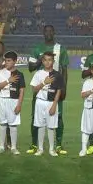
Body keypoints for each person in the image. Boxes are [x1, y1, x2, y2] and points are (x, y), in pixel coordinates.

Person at [27, 25, 69, 155]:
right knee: (35, 117)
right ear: (43, 33)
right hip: (40, 89)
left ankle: (58, 145)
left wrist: (64, 88)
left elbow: (64, 70)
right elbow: (30, 68)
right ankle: (35, 144)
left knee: (58, 116)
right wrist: (41, 60)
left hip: (56, 89)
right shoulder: (37, 49)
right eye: (46, 31)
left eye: (51, 31)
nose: (48, 33)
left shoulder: (60, 49)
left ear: (54, 32)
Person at [30, 51, 65, 157]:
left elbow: (59, 90)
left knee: (51, 126)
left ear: (53, 61)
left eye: (50, 60)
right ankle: (40, 149)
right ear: (42, 61)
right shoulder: (38, 73)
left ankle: (51, 149)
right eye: (45, 60)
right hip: (40, 102)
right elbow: (34, 89)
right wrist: (44, 83)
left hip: (51, 103)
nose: (47, 62)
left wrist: (54, 105)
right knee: (40, 126)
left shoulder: (57, 75)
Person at [0, 50, 25, 155]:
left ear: (15, 61)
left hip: (14, 101)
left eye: (9, 61)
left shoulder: (19, 74)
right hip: (2, 100)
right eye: (6, 60)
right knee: (2, 124)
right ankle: (1, 147)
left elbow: (22, 90)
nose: (6, 63)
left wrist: (19, 105)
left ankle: (14, 147)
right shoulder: (0, 73)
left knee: (13, 125)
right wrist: (8, 81)